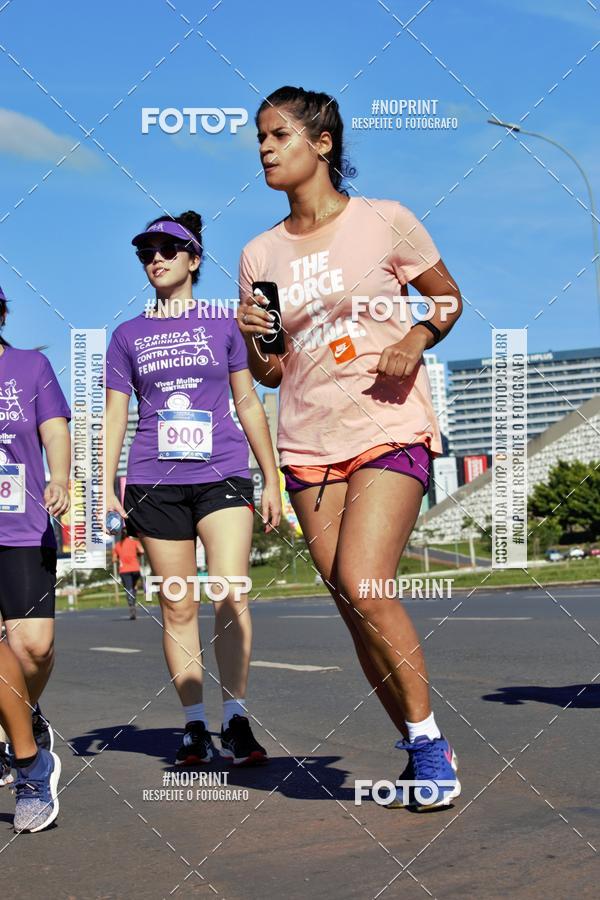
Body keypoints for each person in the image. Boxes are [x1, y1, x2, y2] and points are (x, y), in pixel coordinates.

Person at [238, 86, 463, 810]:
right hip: (308, 439)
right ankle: (415, 739)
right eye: (260, 138)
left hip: (388, 422)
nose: (266, 148)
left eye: (278, 135)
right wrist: (261, 337)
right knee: (351, 605)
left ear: (323, 143)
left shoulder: (384, 220)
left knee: (368, 583)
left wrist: (415, 337)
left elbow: (447, 298)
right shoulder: (259, 252)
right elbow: (272, 369)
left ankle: (430, 745)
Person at [105, 211, 281, 766]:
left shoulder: (224, 323)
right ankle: (194, 726)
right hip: (154, 479)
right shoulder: (127, 335)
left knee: (231, 589)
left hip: (222, 472)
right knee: (178, 604)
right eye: (146, 252)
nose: (155, 258)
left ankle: (236, 719)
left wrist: (271, 475)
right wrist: (106, 484)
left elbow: (248, 399)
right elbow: (115, 415)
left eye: (167, 249)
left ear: (194, 258)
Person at [0, 283, 68, 820]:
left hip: (23, 526)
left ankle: (22, 713)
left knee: (34, 649)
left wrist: (62, 477)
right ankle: (30, 766)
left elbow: (53, 429)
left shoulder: (29, 368)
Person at [112, 531, 144, 619]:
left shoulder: (117, 545)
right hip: (135, 569)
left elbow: (114, 559)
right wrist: (136, 554)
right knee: (134, 587)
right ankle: (133, 602)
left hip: (124, 570)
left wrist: (119, 558)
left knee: (128, 588)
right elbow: (141, 551)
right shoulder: (135, 542)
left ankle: (131, 605)